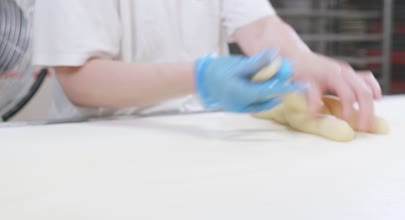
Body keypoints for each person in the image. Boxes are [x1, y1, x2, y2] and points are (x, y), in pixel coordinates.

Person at [33, 0, 382, 131]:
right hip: (98, 149)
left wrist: (307, 62)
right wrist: (199, 77)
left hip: (197, 139)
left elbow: (260, 28)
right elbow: (79, 80)